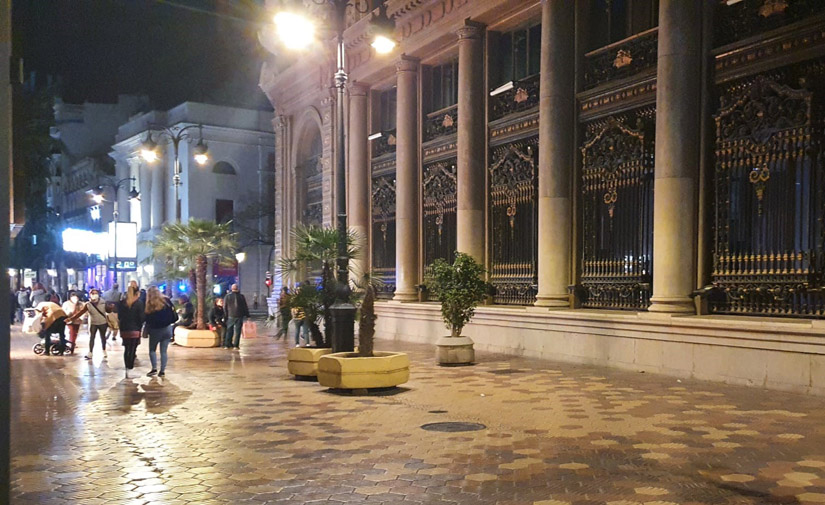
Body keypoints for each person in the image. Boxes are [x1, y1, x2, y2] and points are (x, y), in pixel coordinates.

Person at [70, 288, 110, 360]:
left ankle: (104, 350)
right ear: (90, 295)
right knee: (92, 338)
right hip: (93, 323)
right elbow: (81, 312)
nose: (94, 295)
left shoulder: (104, 302)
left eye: (95, 293)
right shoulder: (88, 304)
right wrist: (71, 318)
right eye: (92, 293)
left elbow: (108, 311)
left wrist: (111, 307)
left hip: (103, 322)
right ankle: (90, 352)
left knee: (103, 337)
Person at [144, 286, 175, 377]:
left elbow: (147, 318)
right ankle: (162, 371)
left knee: (152, 349)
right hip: (167, 328)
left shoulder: (149, 304)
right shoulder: (166, 301)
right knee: (164, 351)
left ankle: (154, 368)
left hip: (155, 330)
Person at [118, 285, 145, 379]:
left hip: (124, 329)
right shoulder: (139, 303)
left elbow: (119, 316)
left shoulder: (122, 303)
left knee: (126, 348)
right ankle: (130, 366)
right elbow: (141, 317)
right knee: (133, 349)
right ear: (137, 293)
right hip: (135, 329)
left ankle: (127, 367)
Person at [223, 284, 249, 350]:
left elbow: (225, 307)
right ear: (237, 288)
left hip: (230, 315)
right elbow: (244, 306)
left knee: (229, 330)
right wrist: (247, 315)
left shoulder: (227, 296)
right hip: (239, 315)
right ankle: (236, 345)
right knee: (238, 331)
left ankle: (227, 344)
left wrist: (225, 316)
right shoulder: (241, 296)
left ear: (232, 289)